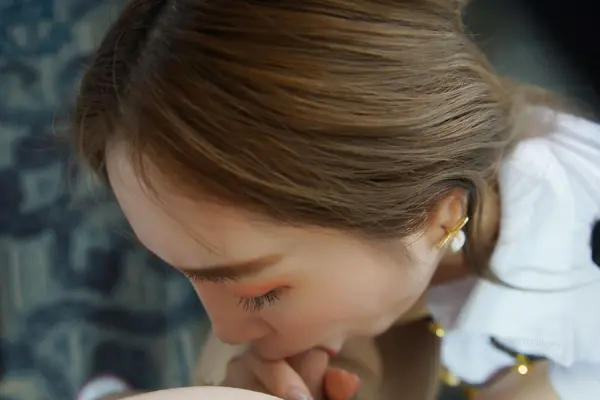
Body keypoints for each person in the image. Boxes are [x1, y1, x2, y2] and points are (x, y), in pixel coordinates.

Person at [71, 0, 600, 399]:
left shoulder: (580, 305)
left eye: (263, 294)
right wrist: (355, 369)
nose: (225, 328)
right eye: (189, 273)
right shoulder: (430, 202)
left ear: (439, 219)